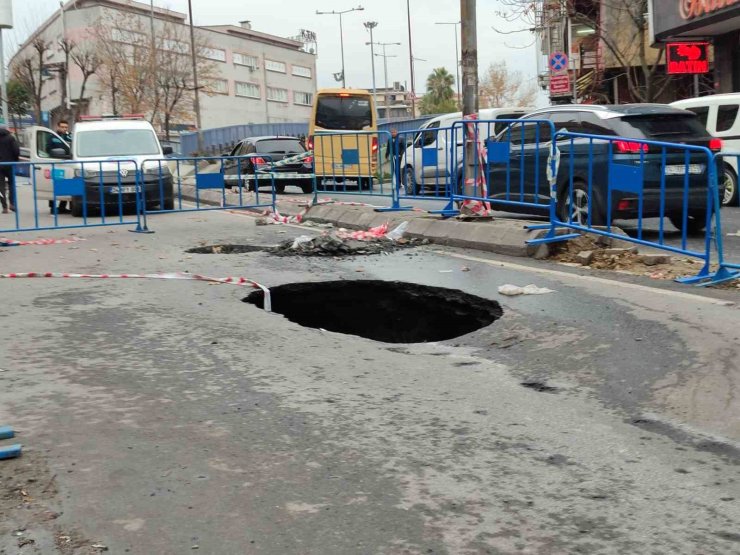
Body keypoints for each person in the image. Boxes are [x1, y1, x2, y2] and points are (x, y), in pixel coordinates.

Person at [46, 120, 72, 214]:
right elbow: (48, 149)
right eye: (62, 127)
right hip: (56, 164)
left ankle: (62, 206)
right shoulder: (52, 137)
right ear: (58, 127)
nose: (64, 129)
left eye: (66, 127)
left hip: (68, 164)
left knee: (67, 185)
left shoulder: (70, 137)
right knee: (54, 186)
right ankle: (52, 208)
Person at [0, 126, 20, 214]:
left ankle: (4, 207)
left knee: (1, 187)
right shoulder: (11, 138)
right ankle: (12, 203)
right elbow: (16, 151)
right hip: (10, 164)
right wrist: (15, 160)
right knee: (12, 184)